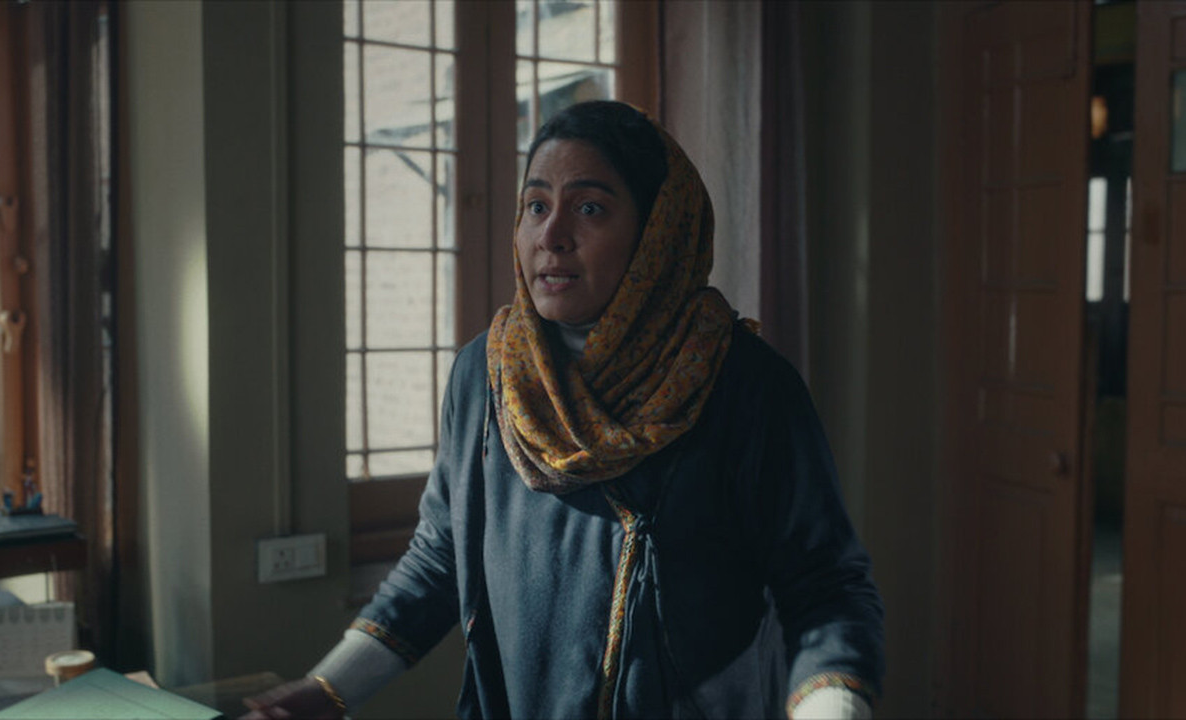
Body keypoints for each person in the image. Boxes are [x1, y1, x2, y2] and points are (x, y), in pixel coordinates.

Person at [243, 101, 884, 720]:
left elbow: (824, 589)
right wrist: (328, 688)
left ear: (658, 231)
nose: (551, 236)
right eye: (536, 206)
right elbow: (442, 556)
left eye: (589, 208)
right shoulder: (485, 375)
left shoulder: (744, 382)